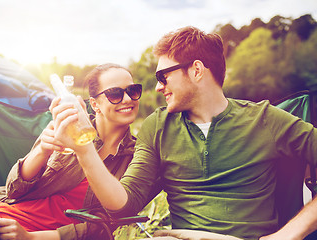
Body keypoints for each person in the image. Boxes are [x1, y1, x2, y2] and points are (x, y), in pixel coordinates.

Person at [51, 26, 317, 240]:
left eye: (163, 76)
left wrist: (288, 234)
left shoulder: (265, 119)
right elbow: (123, 205)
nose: (157, 87)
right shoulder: (157, 126)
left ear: (197, 70)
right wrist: (84, 150)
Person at [0, 63, 142, 240]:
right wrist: (42, 150)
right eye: (115, 93)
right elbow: (13, 190)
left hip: (41, 235)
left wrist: (30, 237)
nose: (127, 99)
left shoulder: (138, 158)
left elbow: (108, 226)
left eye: (133, 91)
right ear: (94, 104)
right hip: (3, 218)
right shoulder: (65, 128)